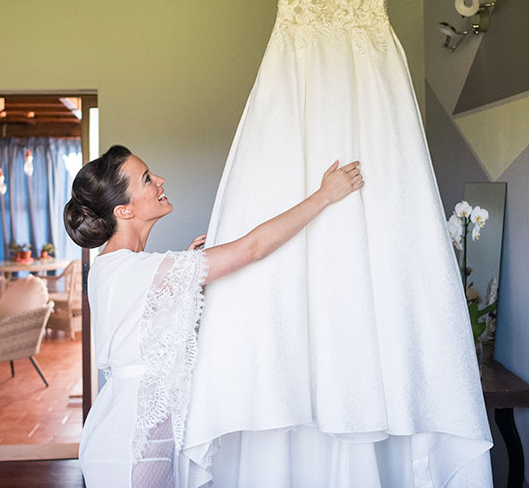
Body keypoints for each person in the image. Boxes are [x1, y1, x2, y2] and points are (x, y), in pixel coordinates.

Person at [63, 144, 363, 488]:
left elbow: (146, 325)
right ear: (125, 210)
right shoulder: (138, 270)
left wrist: (183, 280)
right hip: (136, 442)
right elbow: (253, 248)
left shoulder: (112, 267)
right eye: (146, 179)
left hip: (123, 429)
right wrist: (325, 196)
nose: (160, 180)